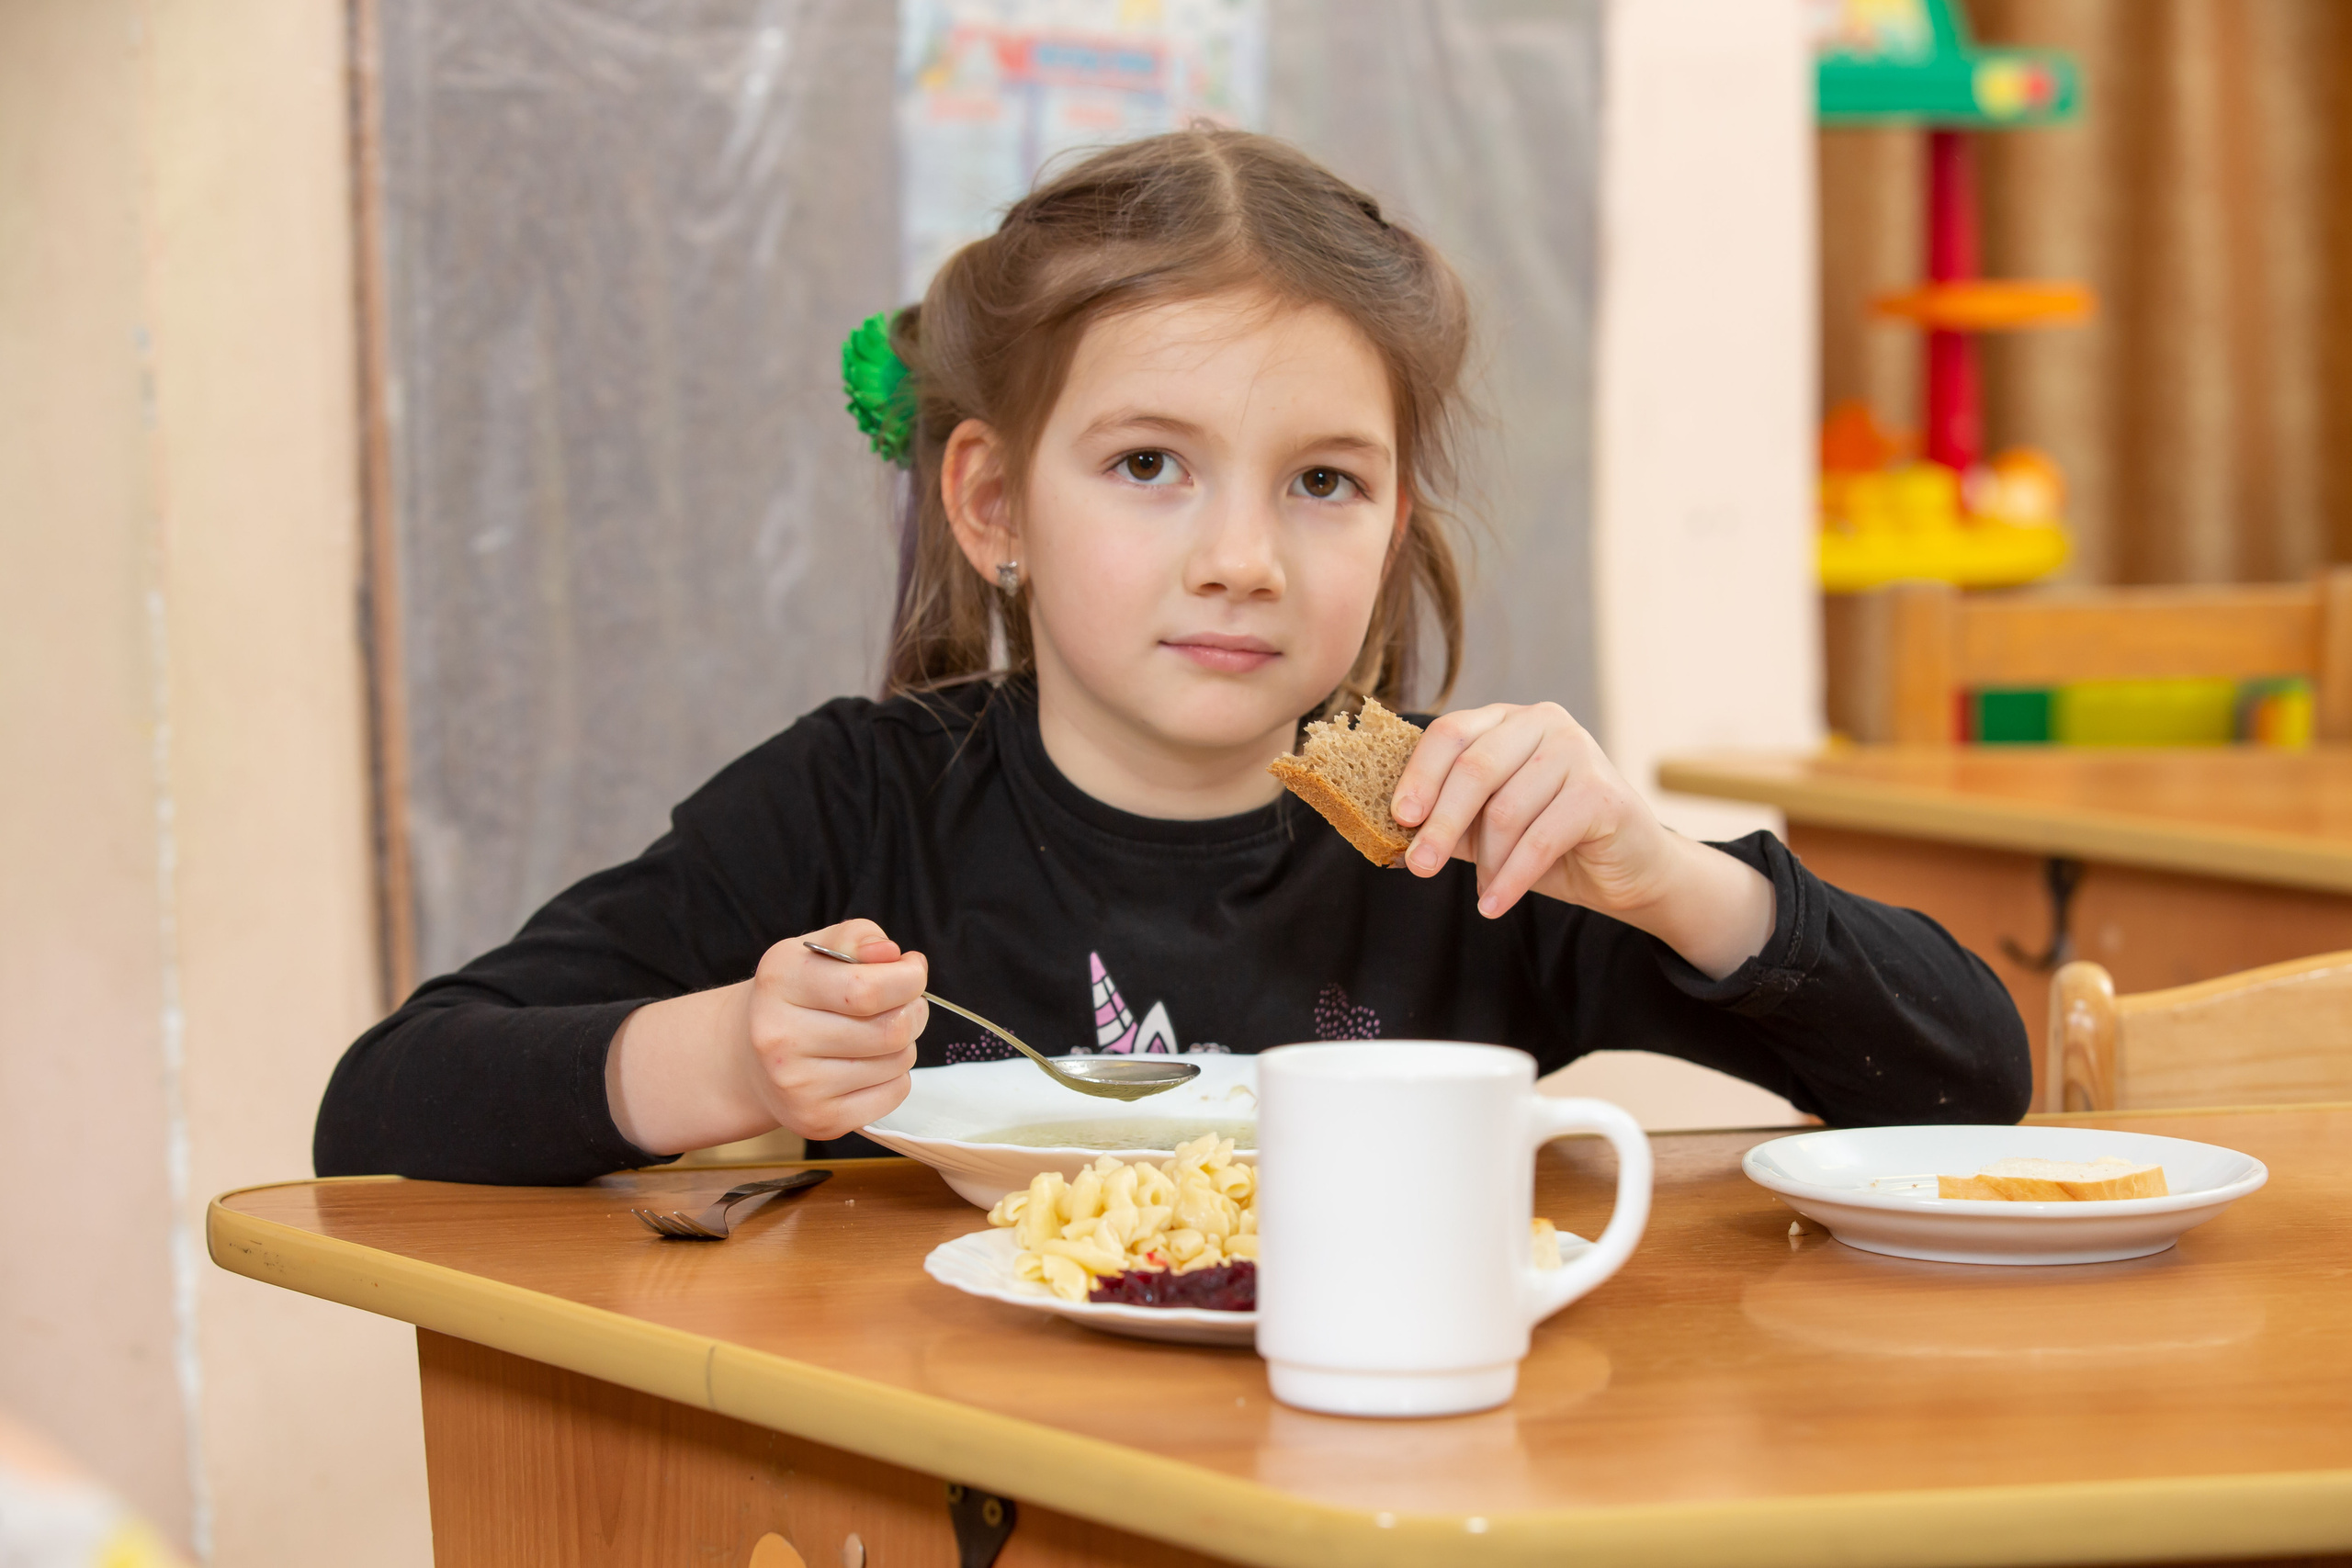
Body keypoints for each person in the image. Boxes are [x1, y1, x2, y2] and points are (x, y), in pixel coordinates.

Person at [315, 129, 2027, 1185]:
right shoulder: (858, 807)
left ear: (1395, 514)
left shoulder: (1464, 842)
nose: (1239, 557)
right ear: (991, 501)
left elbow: (1970, 1080)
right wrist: (724, 1058)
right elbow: (387, 1108)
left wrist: (1663, 877)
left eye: (1323, 483)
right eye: (1149, 465)